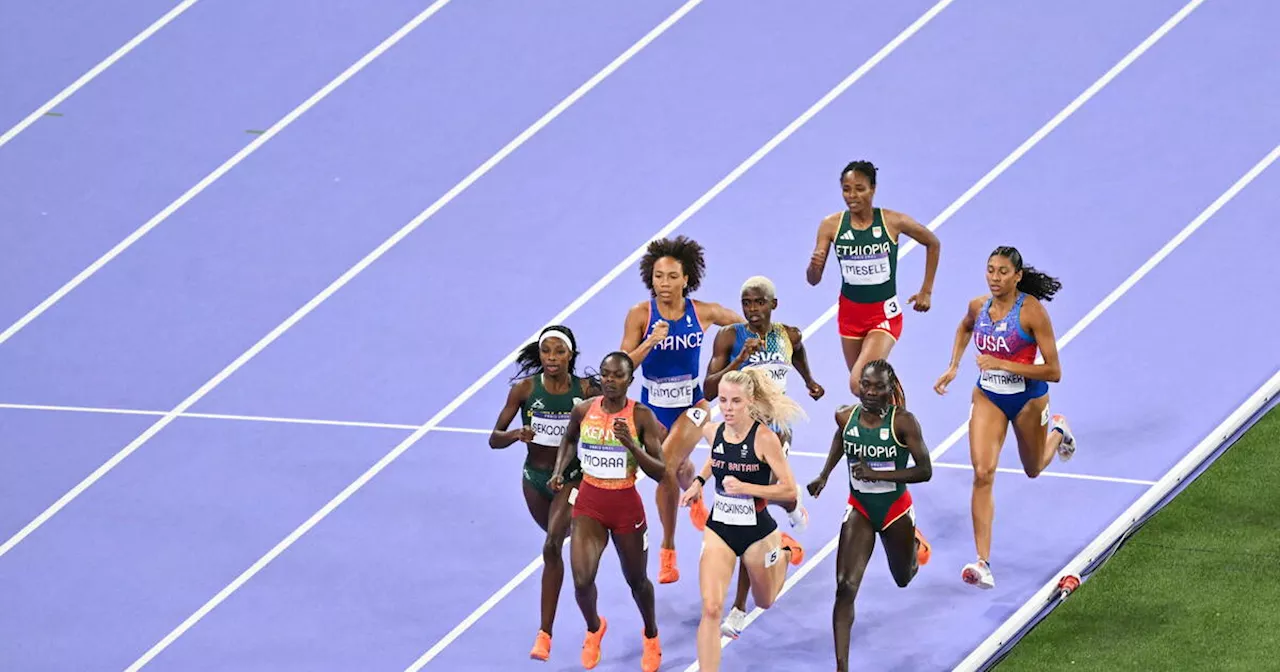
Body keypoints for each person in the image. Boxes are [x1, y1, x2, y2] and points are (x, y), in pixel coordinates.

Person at [933, 246, 1077, 590]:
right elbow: (965, 328)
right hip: (989, 396)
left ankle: (1057, 429)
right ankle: (982, 563)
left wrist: (1003, 364)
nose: (995, 278)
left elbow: (1054, 370)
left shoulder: (1032, 313)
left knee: (1033, 469)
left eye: (1002, 272)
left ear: (1017, 276)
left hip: (1029, 399)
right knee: (982, 473)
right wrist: (953, 366)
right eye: (990, 270)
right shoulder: (978, 306)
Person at [694, 275, 824, 639]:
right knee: (751, 508)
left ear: (773, 305)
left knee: (751, 506)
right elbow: (707, 388)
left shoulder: (788, 335)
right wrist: (739, 359)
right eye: (746, 302)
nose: (751, 310)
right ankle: (790, 516)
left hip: (772, 432)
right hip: (736, 430)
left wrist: (810, 381)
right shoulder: (729, 336)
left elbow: (797, 352)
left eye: (758, 303)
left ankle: (738, 608)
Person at [620, 235, 742, 584]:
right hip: (651, 408)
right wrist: (649, 342)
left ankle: (668, 552)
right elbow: (622, 365)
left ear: (687, 278)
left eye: (673, 276)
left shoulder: (703, 312)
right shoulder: (640, 315)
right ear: (650, 278)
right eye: (659, 276)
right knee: (683, 468)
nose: (665, 283)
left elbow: (744, 327)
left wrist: (755, 356)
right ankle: (696, 495)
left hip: (694, 405)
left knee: (666, 468)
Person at [807, 360, 932, 672]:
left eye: (878, 387)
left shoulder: (903, 422)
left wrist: (878, 473)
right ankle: (841, 667)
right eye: (866, 385)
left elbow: (925, 470)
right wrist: (824, 475)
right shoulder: (845, 415)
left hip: (895, 510)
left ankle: (915, 547)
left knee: (903, 578)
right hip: (860, 508)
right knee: (844, 586)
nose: (870, 392)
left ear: (889, 389)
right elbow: (842, 437)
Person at [678, 368, 806, 672]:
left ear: (750, 402)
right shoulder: (713, 430)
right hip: (719, 528)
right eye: (722, 400)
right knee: (710, 608)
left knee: (765, 601)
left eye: (735, 401)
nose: (727, 407)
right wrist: (698, 482)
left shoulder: (765, 438)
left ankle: (785, 553)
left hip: (757, 532)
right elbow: (717, 456)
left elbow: (788, 489)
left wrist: (746, 487)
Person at [488, 325, 601, 661]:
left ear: (571, 355)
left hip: (570, 478)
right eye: (546, 352)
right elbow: (494, 438)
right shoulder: (524, 390)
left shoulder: (585, 389)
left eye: (559, 352)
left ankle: (544, 635)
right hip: (534, 480)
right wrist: (516, 435)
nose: (552, 358)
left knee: (552, 544)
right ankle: (594, 619)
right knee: (557, 548)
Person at [549, 352, 666, 671]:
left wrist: (632, 445)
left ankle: (651, 635)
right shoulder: (583, 410)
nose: (610, 380)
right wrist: (560, 470)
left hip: (626, 506)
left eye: (617, 376)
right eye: (605, 374)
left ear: (630, 380)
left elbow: (660, 472)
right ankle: (594, 628)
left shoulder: (641, 416)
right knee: (582, 581)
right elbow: (569, 439)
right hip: (589, 503)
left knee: (637, 581)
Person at [805, 160, 941, 396]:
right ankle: (890, 417)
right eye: (846, 189)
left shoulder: (892, 221)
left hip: (883, 315)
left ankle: (901, 425)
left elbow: (932, 243)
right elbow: (813, 280)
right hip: (850, 315)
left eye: (860, 188)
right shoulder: (831, 225)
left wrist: (926, 291)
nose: (852, 195)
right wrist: (814, 267)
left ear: (873, 189)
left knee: (859, 382)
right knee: (867, 391)